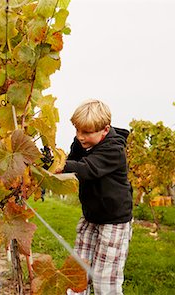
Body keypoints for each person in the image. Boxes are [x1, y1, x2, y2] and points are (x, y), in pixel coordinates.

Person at [62, 99, 133, 295]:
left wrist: (58, 165)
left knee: (105, 277)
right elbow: (72, 161)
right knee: (78, 270)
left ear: (105, 129)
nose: (80, 137)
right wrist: (52, 162)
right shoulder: (81, 142)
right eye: (77, 131)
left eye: (86, 133)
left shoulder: (114, 149)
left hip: (114, 221)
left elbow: (87, 169)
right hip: (91, 216)